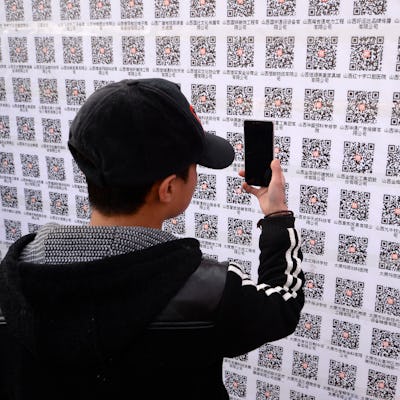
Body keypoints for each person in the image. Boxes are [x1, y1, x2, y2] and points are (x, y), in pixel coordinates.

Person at [0, 78, 304, 399]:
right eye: (194, 166)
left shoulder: (13, 282)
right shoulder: (209, 293)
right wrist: (276, 215)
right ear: (168, 188)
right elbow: (283, 303)